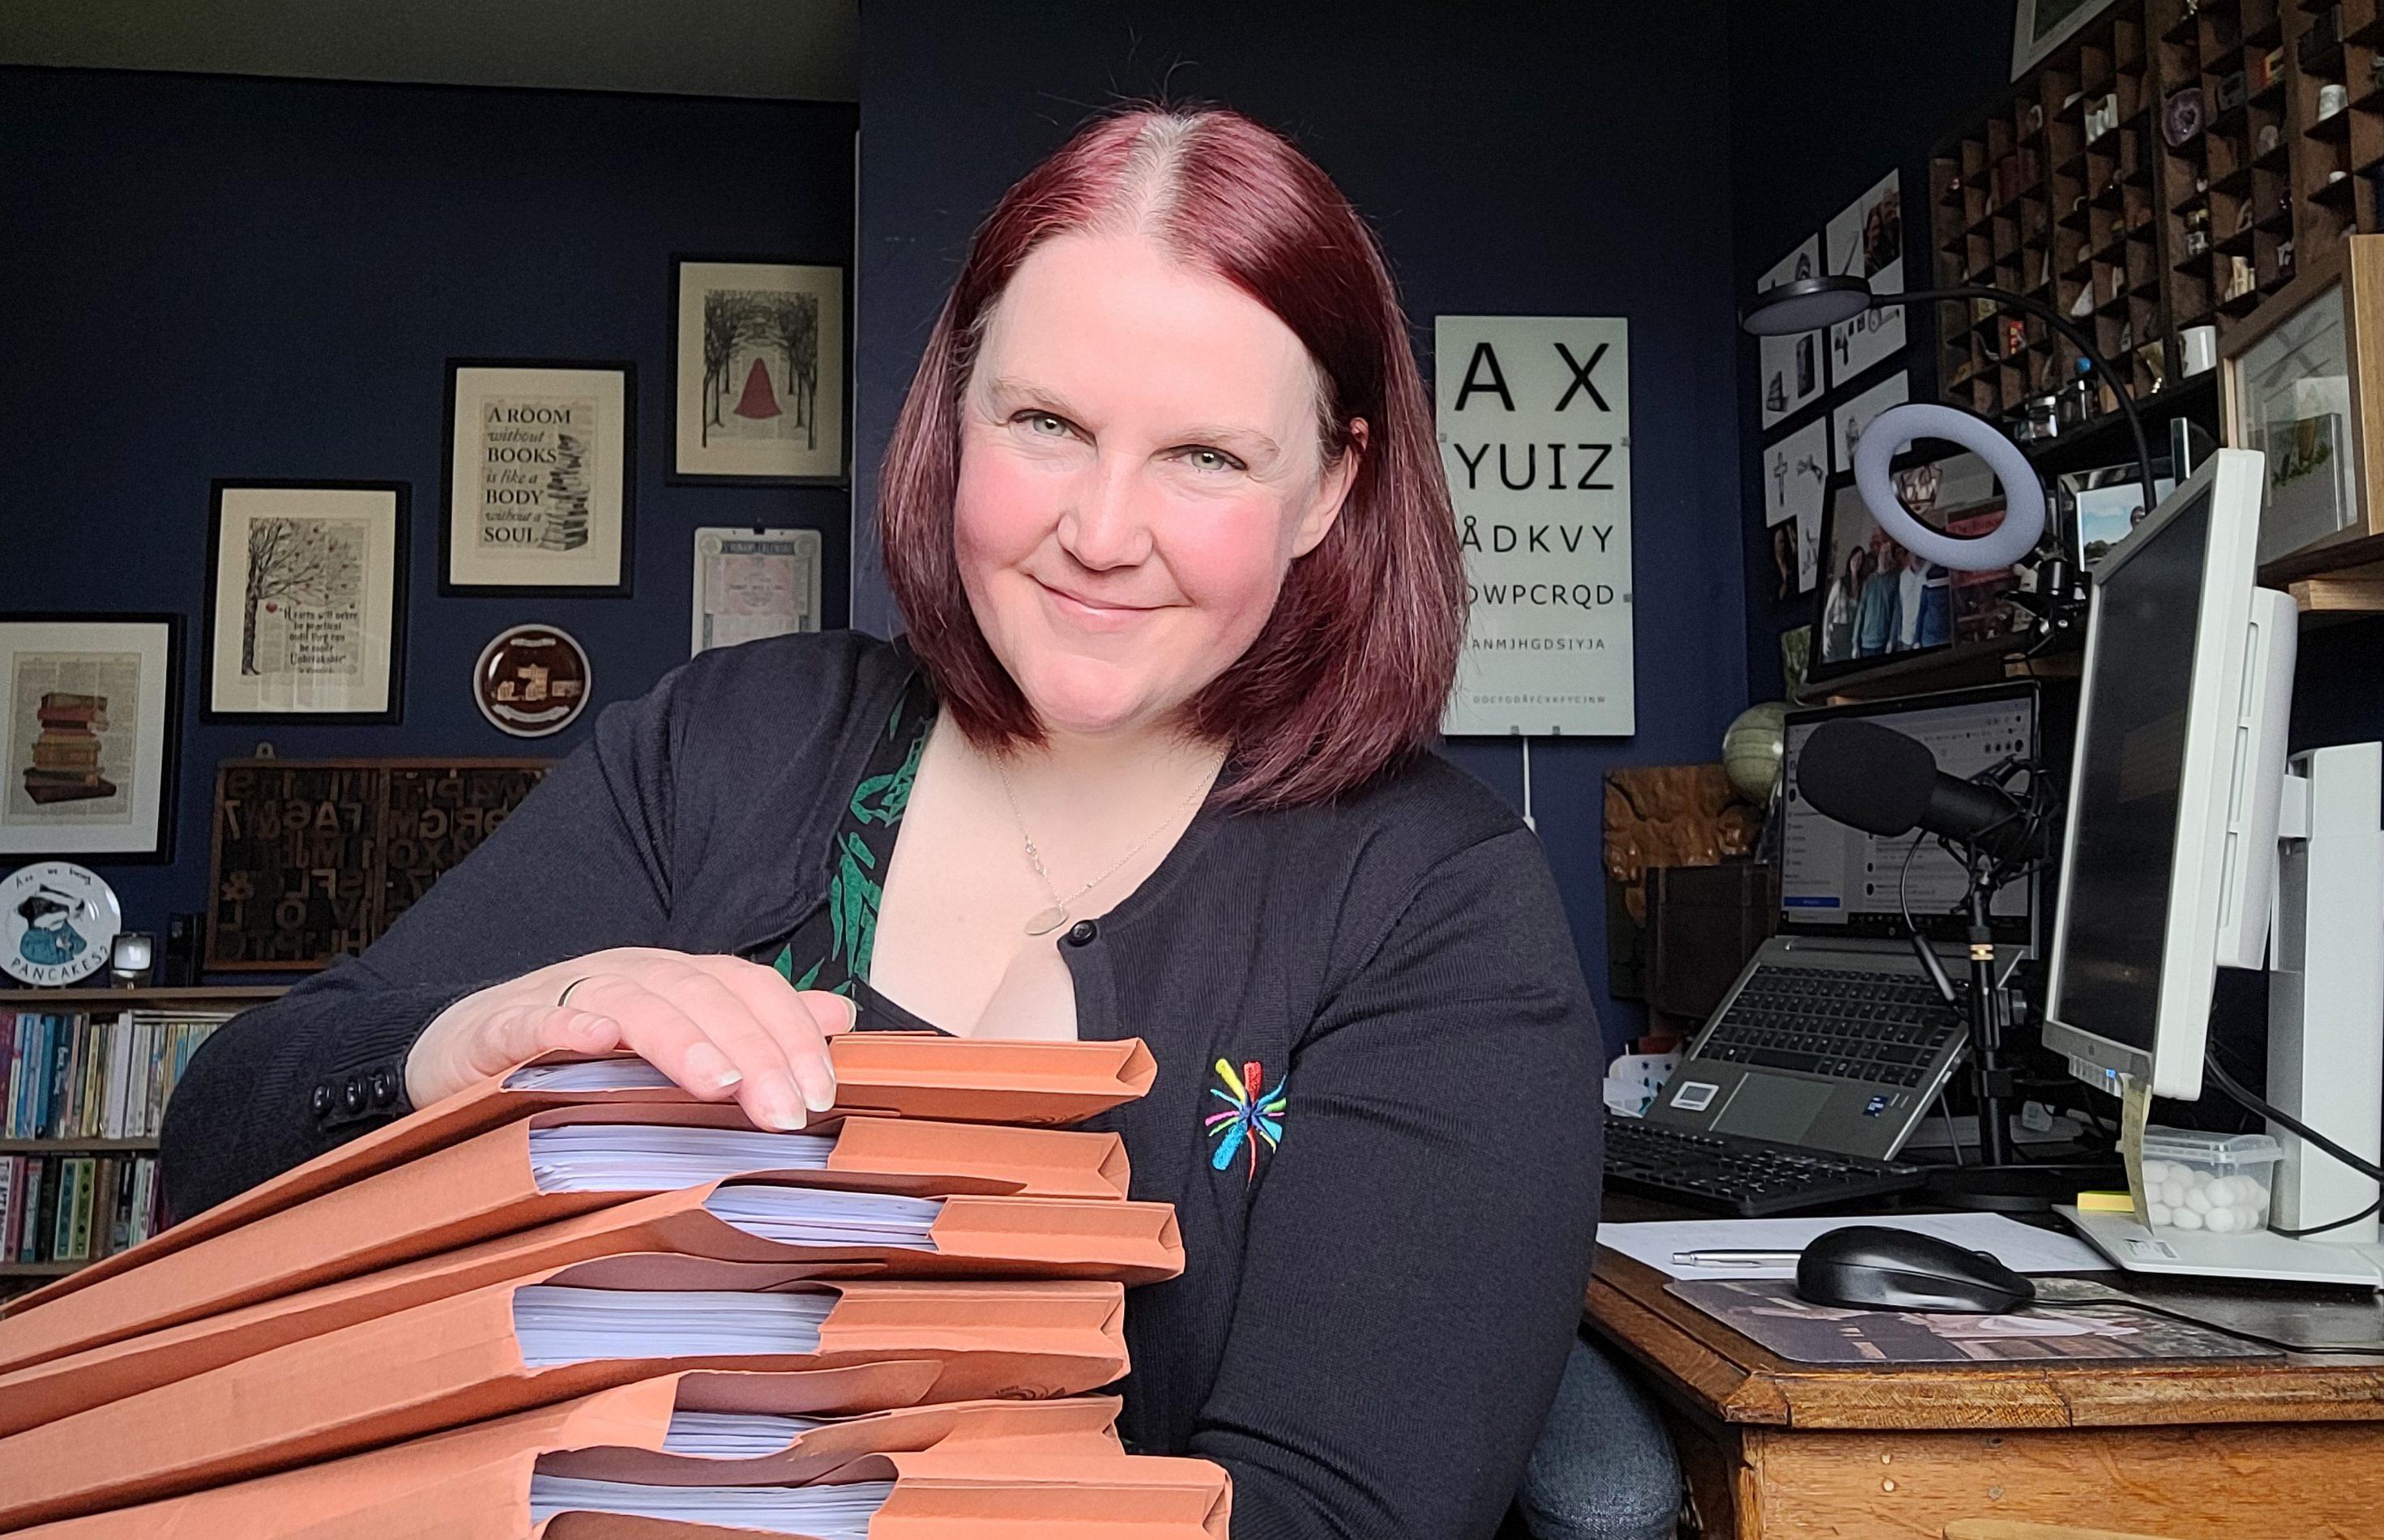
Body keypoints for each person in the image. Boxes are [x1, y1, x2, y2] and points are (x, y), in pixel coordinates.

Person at [161, 103, 1613, 1540]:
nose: (1103, 533)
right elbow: (217, 1146)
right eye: (1045, 423)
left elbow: (1335, 1511)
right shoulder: (726, 743)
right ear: (954, 414)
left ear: (1329, 490)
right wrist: (486, 1031)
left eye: (1207, 458)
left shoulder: (1436, 901)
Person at [1854, 537, 1901, 655]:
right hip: (1866, 643)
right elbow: (1861, 611)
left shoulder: (1895, 579)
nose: (1884, 557)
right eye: (1882, 553)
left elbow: (1896, 612)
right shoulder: (1869, 581)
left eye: (1887, 554)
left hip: (1884, 644)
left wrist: (1892, 639)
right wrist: (1855, 642)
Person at [1821, 545, 1867, 662]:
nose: (1856, 562)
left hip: (1851, 634)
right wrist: (1826, 637)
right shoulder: (1839, 584)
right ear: (1850, 560)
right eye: (1855, 559)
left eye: (1860, 559)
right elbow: (1828, 611)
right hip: (1837, 632)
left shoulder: (1863, 586)